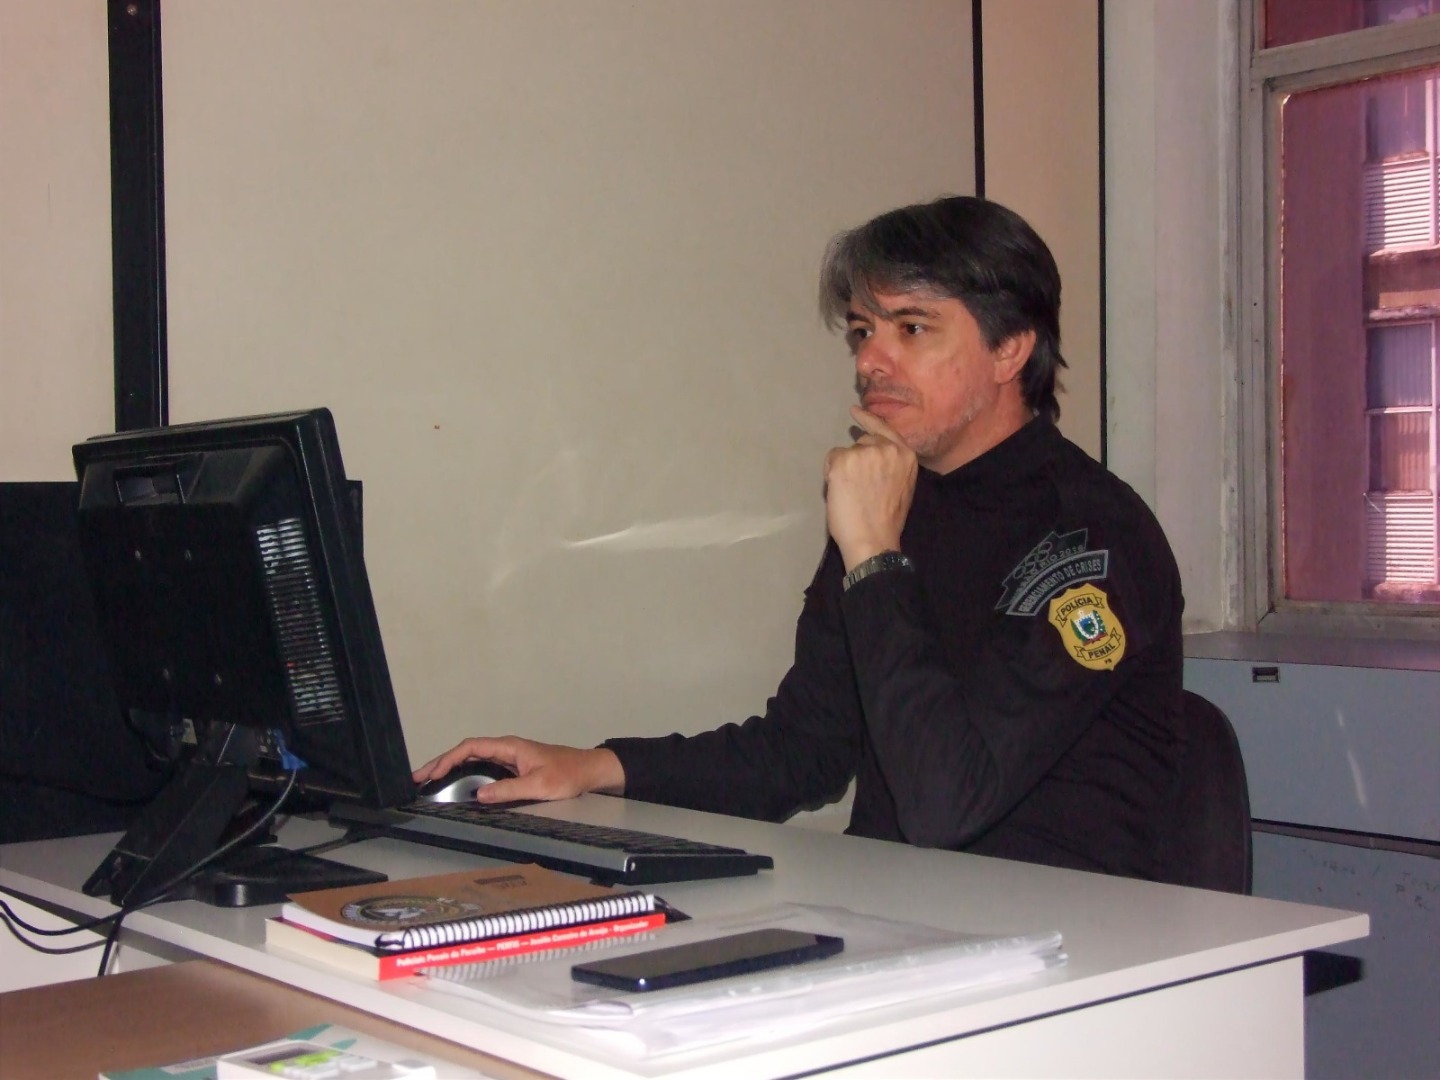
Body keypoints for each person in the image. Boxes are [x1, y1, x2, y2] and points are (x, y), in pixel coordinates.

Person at [415, 195, 1186, 881]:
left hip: (1070, 939)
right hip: (907, 918)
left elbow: (948, 803)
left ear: (1010, 347)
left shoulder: (1091, 537)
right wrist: (595, 767)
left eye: (912, 328)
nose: (870, 360)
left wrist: (875, 557)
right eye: (863, 331)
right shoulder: (893, 499)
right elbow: (802, 752)